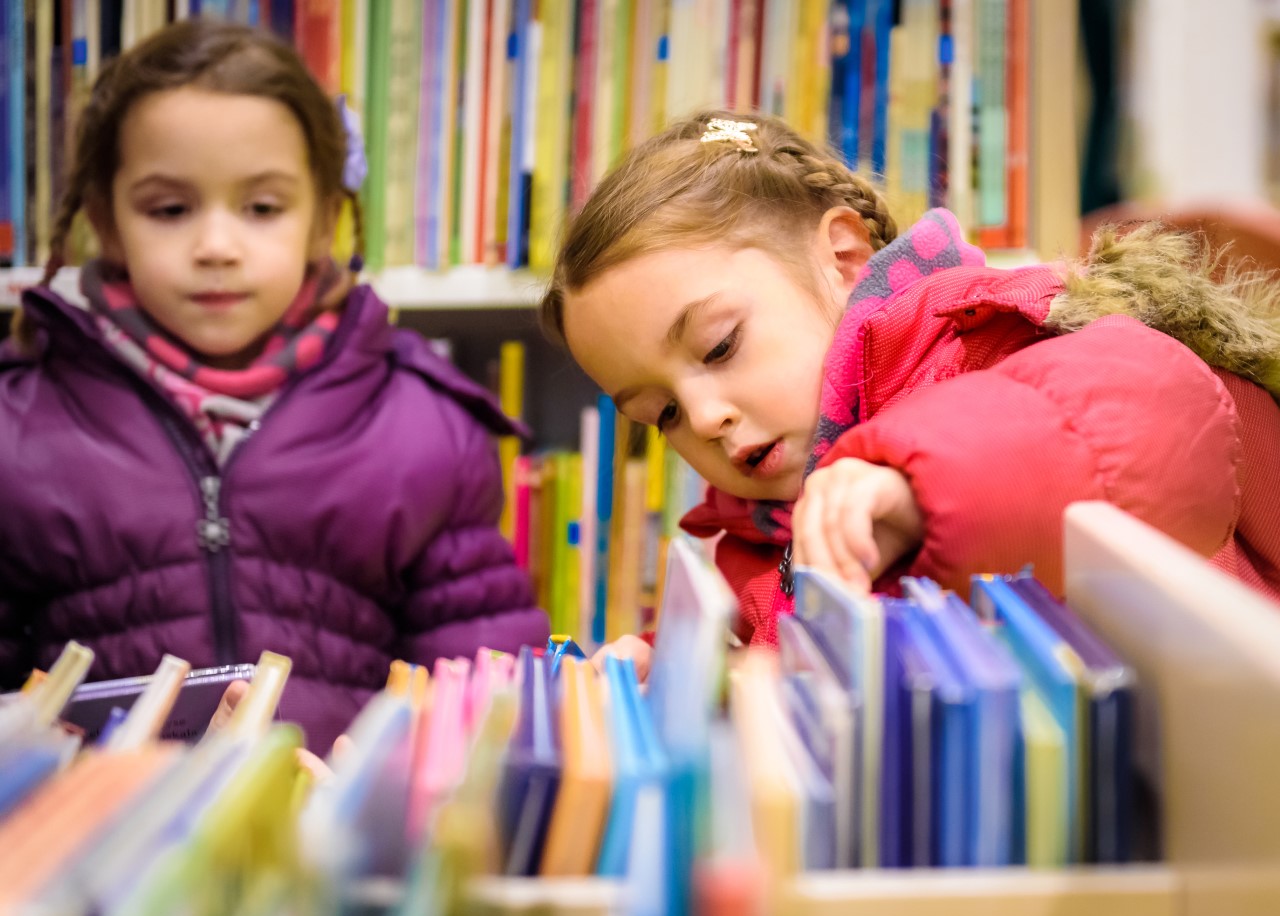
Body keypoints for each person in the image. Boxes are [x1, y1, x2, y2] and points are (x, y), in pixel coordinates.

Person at [543, 111, 1280, 664]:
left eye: (719, 346)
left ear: (842, 257)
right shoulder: (761, 537)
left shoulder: (992, 330)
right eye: (663, 412)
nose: (704, 418)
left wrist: (912, 482)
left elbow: (1151, 408)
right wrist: (693, 673)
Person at [0, 19, 548, 752]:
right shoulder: (18, 429)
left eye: (262, 208)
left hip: (333, 814)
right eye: (169, 209)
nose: (217, 247)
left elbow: (482, 692)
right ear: (107, 221)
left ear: (323, 221)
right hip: (104, 816)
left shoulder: (423, 427)